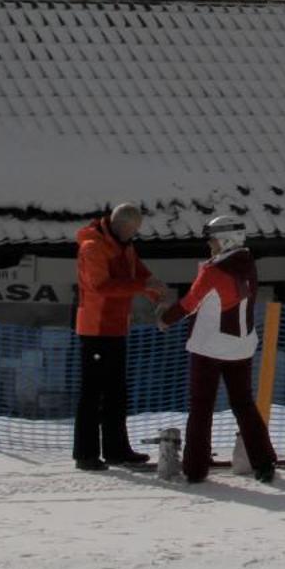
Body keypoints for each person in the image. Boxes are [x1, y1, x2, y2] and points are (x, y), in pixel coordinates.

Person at [158, 215, 277, 484]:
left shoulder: (213, 271)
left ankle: (196, 468)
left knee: (201, 408)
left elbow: (190, 303)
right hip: (242, 346)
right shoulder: (248, 265)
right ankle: (264, 462)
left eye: (211, 240)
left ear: (225, 240)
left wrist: (165, 319)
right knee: (244, 405)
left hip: (209, 348)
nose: (209, 246)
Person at [73, 202, 168, 472]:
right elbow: (101, 286)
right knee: (92, 393)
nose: (134, 235)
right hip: (95, 329)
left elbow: (138, 273)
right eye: (133, 230)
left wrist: (155, 290)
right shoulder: (93, 247)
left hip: (116, 328)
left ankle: (116, 450)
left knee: (116, 392)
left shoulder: (125, 247)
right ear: (122, 225)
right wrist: (143, 286)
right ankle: (85, 454)